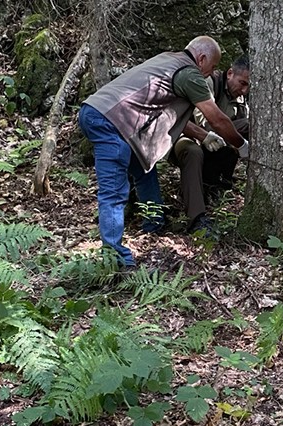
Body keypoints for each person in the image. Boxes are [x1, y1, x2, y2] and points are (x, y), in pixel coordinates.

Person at [78, 36, 249, 267]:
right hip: (109, 121)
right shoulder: (190, 74)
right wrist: (242, 146)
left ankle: (154, 222)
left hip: (104, 115)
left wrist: (203, 136)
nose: (212, 72)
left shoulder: (168, 60)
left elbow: (171, 114)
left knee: (143, 167)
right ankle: (115, 260)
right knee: (113, 192)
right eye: (213, 65)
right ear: (201, 59)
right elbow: (216, 119)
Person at [171, 55, 251, 233]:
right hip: (187, 134)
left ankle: (216, 187)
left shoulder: (241, 100)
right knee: (193, 152)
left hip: (215, 146)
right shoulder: (208, 83)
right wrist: (238, 140)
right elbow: (205, 123)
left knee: (245, 129)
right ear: (230, 73)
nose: (244, 90)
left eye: (248, 86)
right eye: (242, 83)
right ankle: (196, 218)